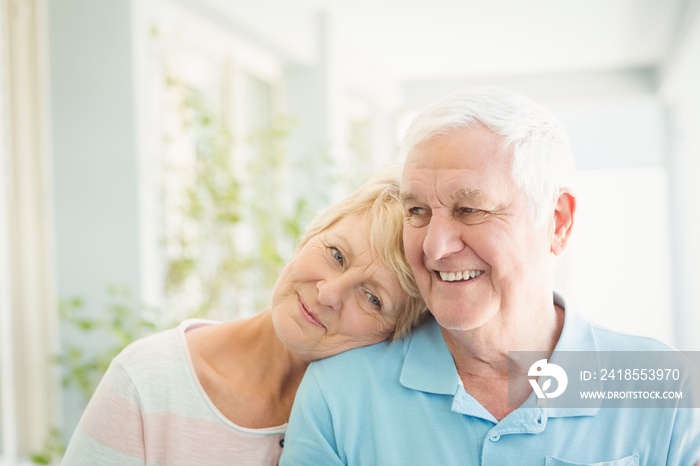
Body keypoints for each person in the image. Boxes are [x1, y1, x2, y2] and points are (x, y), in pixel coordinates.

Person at [280, 87, 700, 465]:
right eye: (418, 212)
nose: (434, 246)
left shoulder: (662, 384)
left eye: (470, 210)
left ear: (557, 222)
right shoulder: (340, 394)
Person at [61, 168, 426, 466]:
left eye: (371, 298)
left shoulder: (369, 420)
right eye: (336, 255)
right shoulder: (148, 379)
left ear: (396, 333)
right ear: (310, 235)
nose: (328, 293)